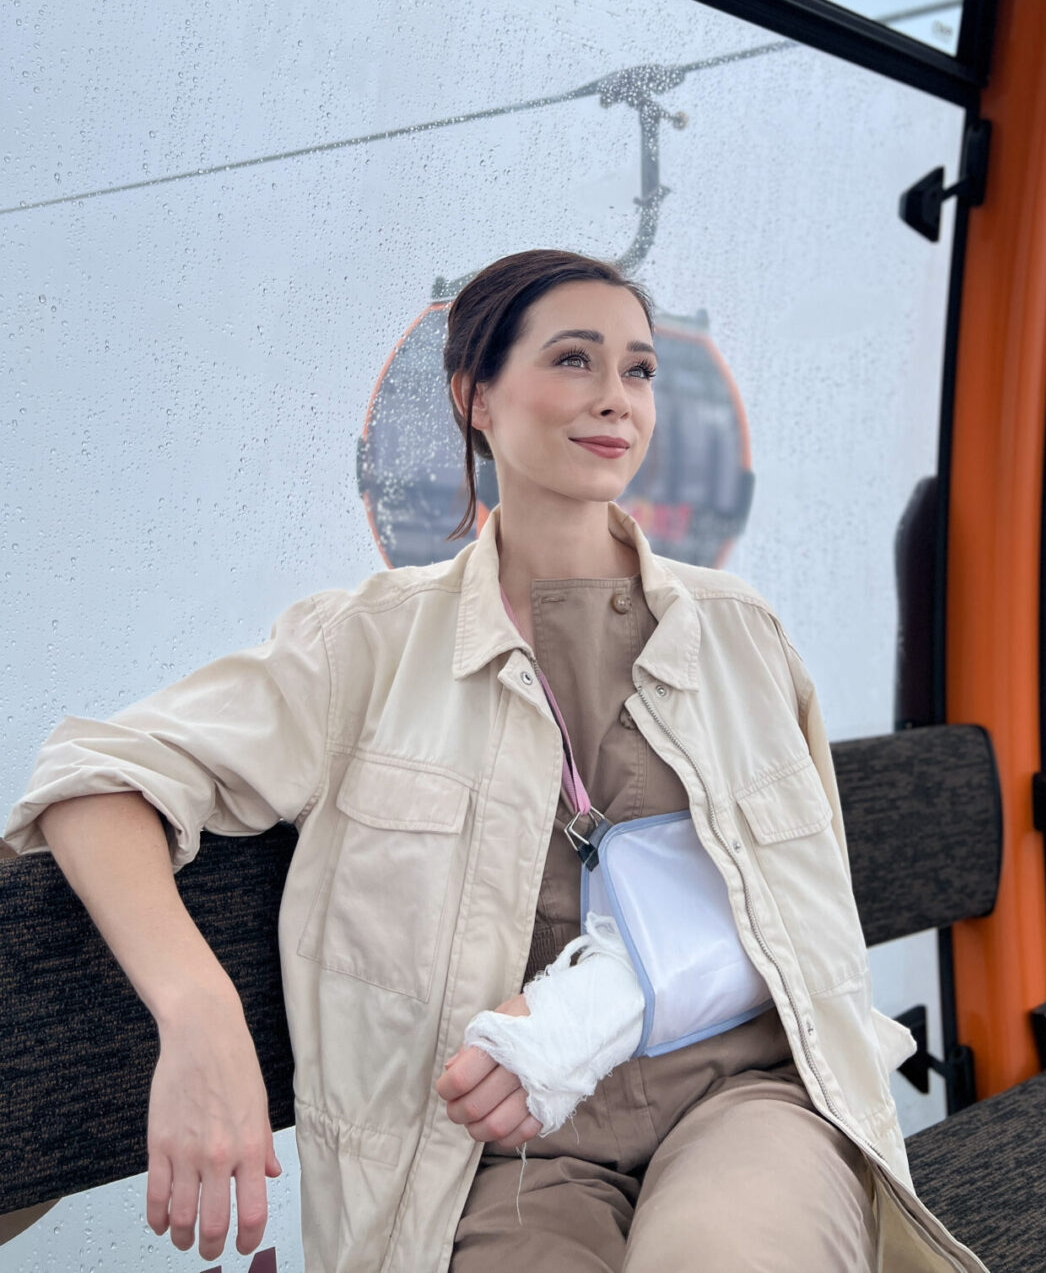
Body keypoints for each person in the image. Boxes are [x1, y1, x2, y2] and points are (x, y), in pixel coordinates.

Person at [3, 249, 987, 1273]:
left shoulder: (740, 635)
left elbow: (801, 911)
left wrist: (603, 1003)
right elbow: (95, 778)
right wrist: (200, 1016)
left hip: (746, 1096)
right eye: (574, 360)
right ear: (476, 397)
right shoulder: (366, 649)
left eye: (640, 370)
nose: (616, 399)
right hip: (501, 1155)